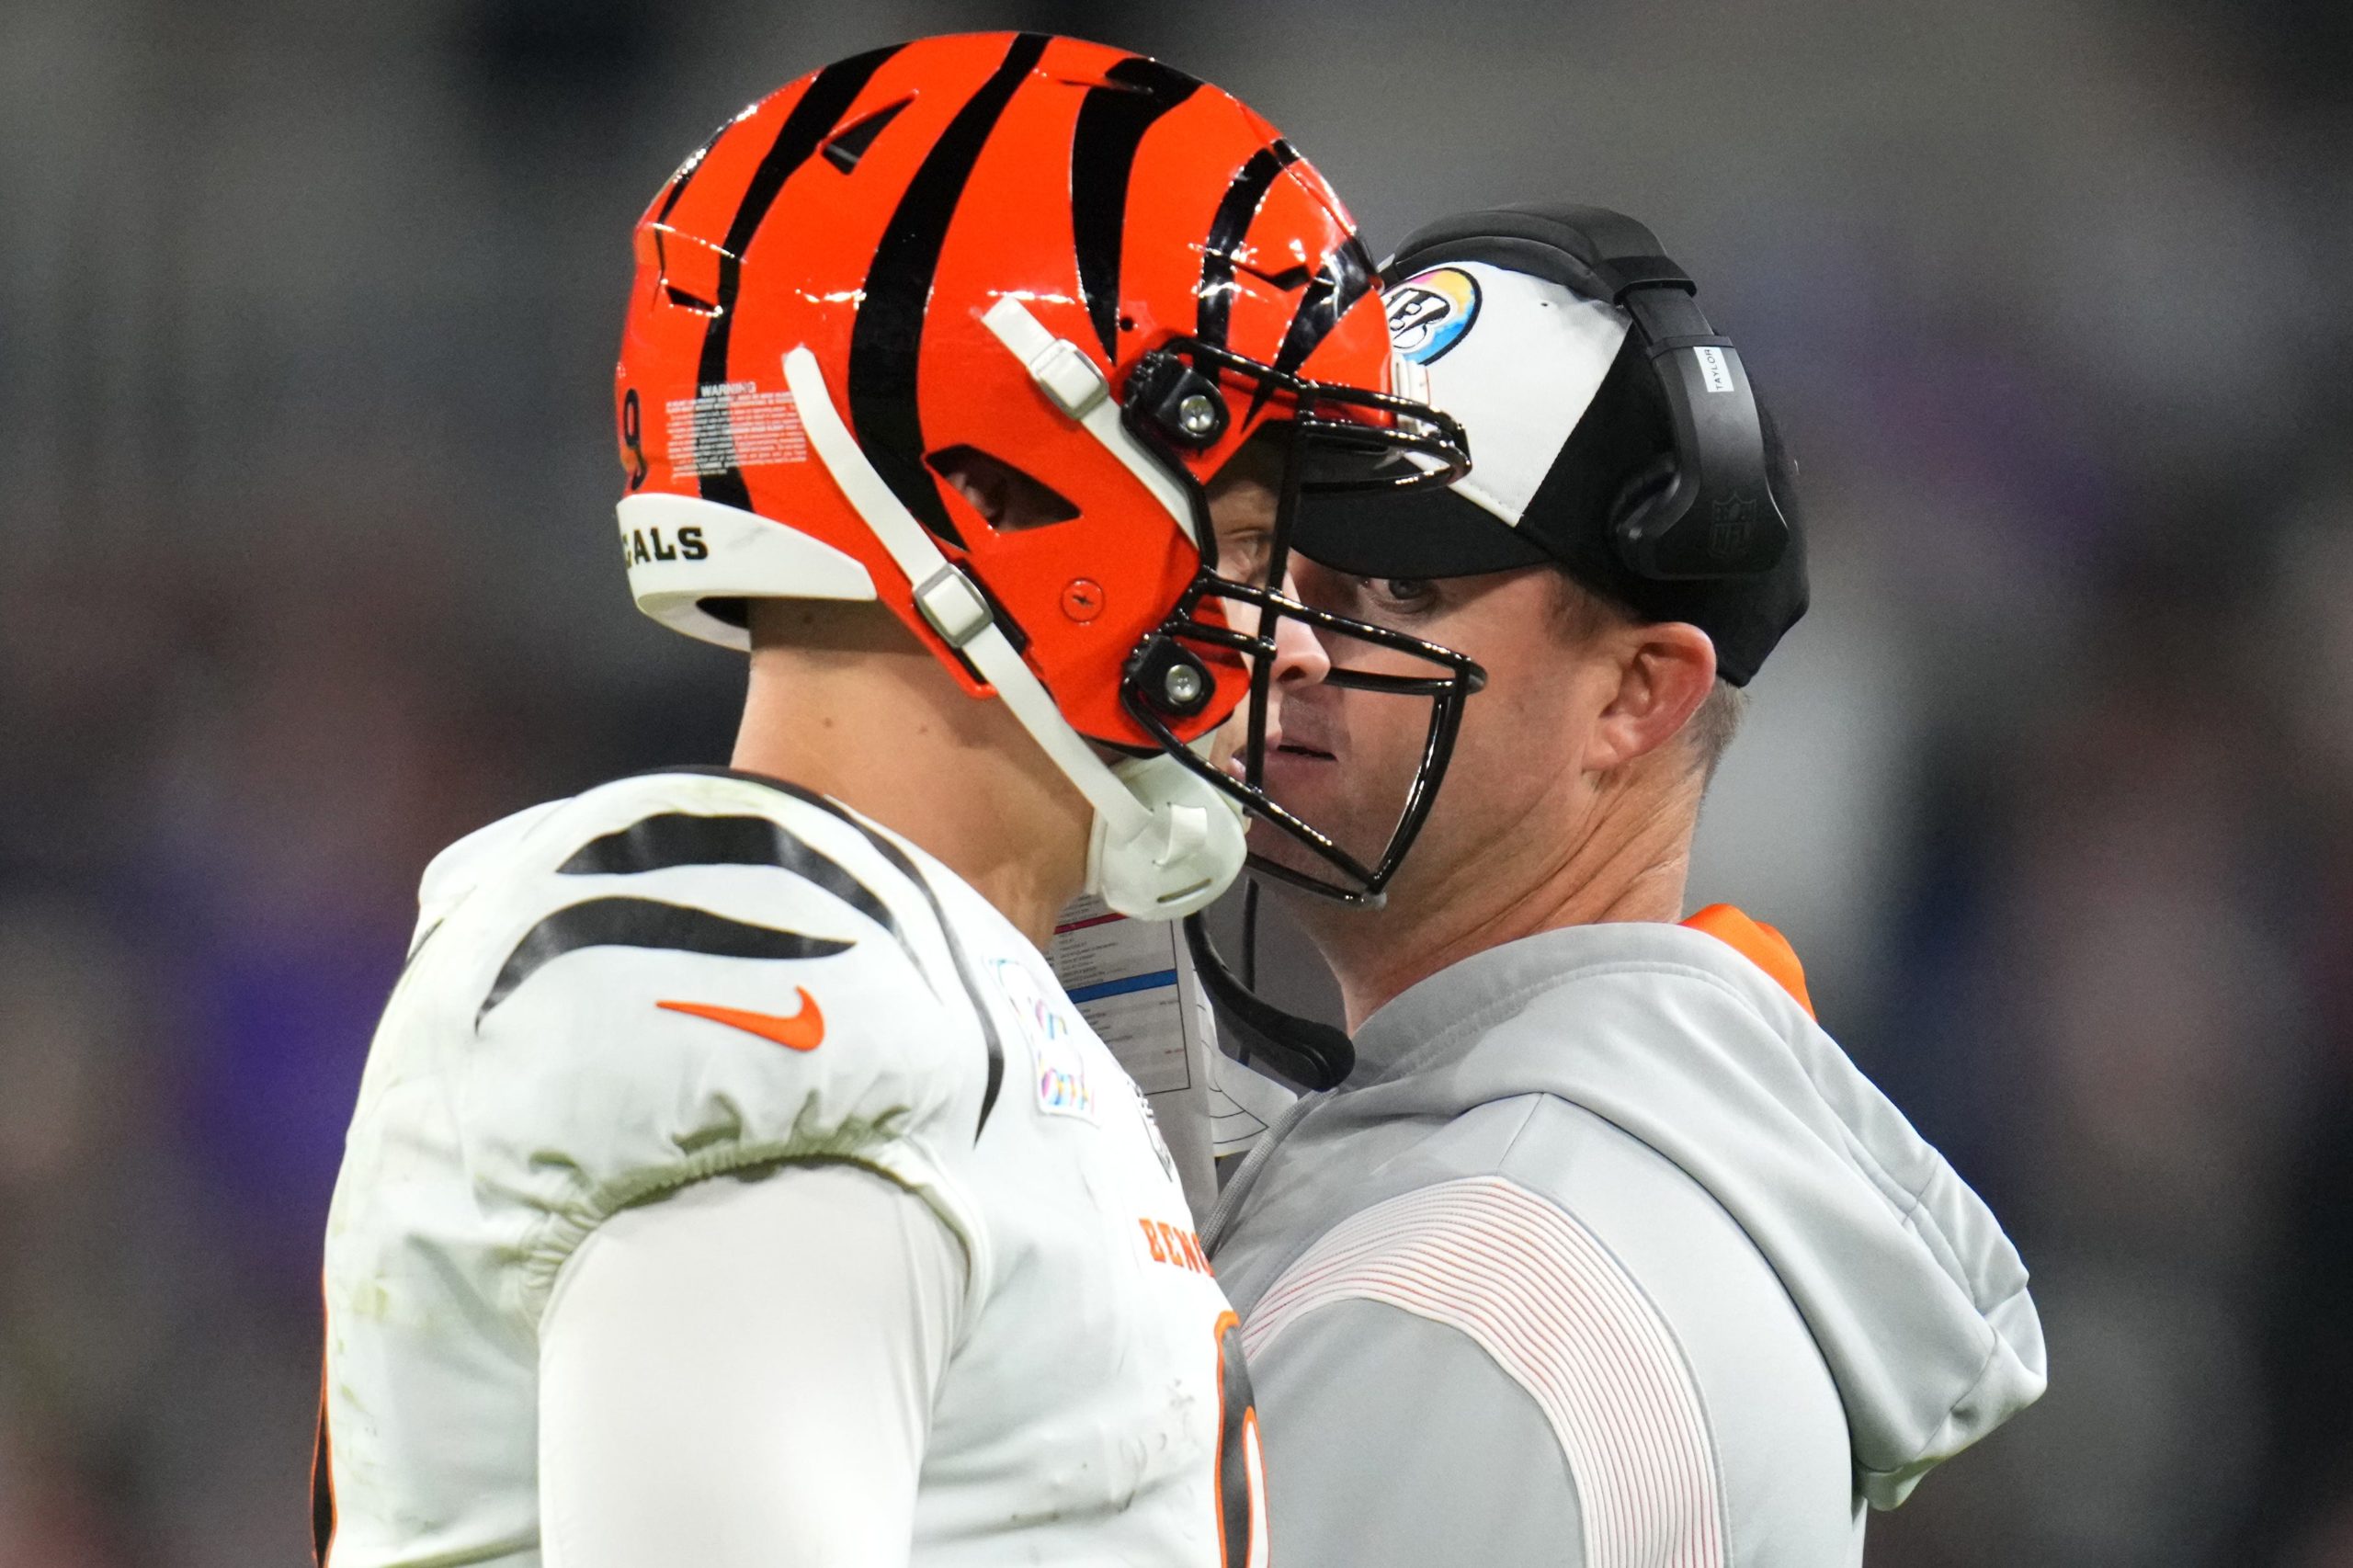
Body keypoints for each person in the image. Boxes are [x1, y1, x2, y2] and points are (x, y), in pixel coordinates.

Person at [311, 34, 1483, 1568]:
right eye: (1253, 547)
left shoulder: (947, 990)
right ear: (1004, 496)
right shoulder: (769, 975)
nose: (1302, 638)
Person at [1200, 204, 2049, 1565]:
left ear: (1641, 692)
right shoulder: (1552, 1179)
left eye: (1396, 591)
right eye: (1274, 568)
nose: (1290, 644)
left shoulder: (1474, 1281)